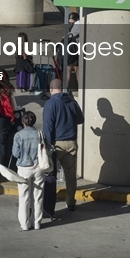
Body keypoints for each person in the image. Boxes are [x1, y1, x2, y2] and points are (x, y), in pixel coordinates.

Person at [43, 78, 84, 212]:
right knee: (70, 174)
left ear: (51, 89)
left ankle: (49, 206)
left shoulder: (50, 104)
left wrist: (47, 146)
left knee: (50, 175)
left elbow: (48, 128)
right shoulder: (72, 102)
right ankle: (71, 202)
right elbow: (80, 119)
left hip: (56, 144)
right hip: (71, 142)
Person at [12, 110, 45, 231]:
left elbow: (16, 154)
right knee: (38, 196)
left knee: (24, 197)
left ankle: (25, 224)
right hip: (39, 167)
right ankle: (37, 223)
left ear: (23, 122)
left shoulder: (18, 135)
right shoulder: (40, 134)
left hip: (24, 168)